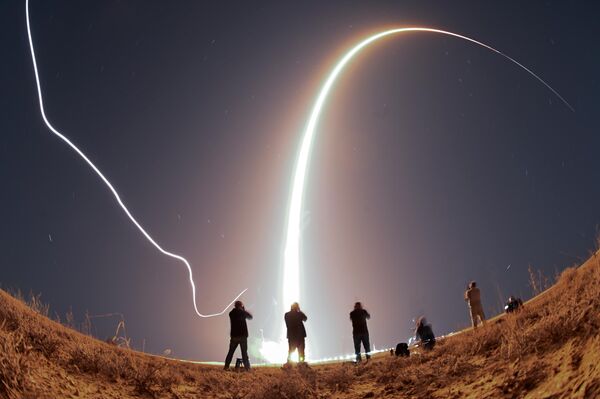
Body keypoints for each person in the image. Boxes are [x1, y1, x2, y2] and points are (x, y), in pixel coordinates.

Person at [224, 300, 252, 371]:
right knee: (244, 353)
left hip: (234, 336)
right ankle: (247, 368)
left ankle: (226, 366)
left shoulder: (231, 313)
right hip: (242, 336)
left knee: (230, 352)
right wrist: (243, 309)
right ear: (241, 305)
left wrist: (242, 309)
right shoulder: (242, 312)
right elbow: (250, 317)